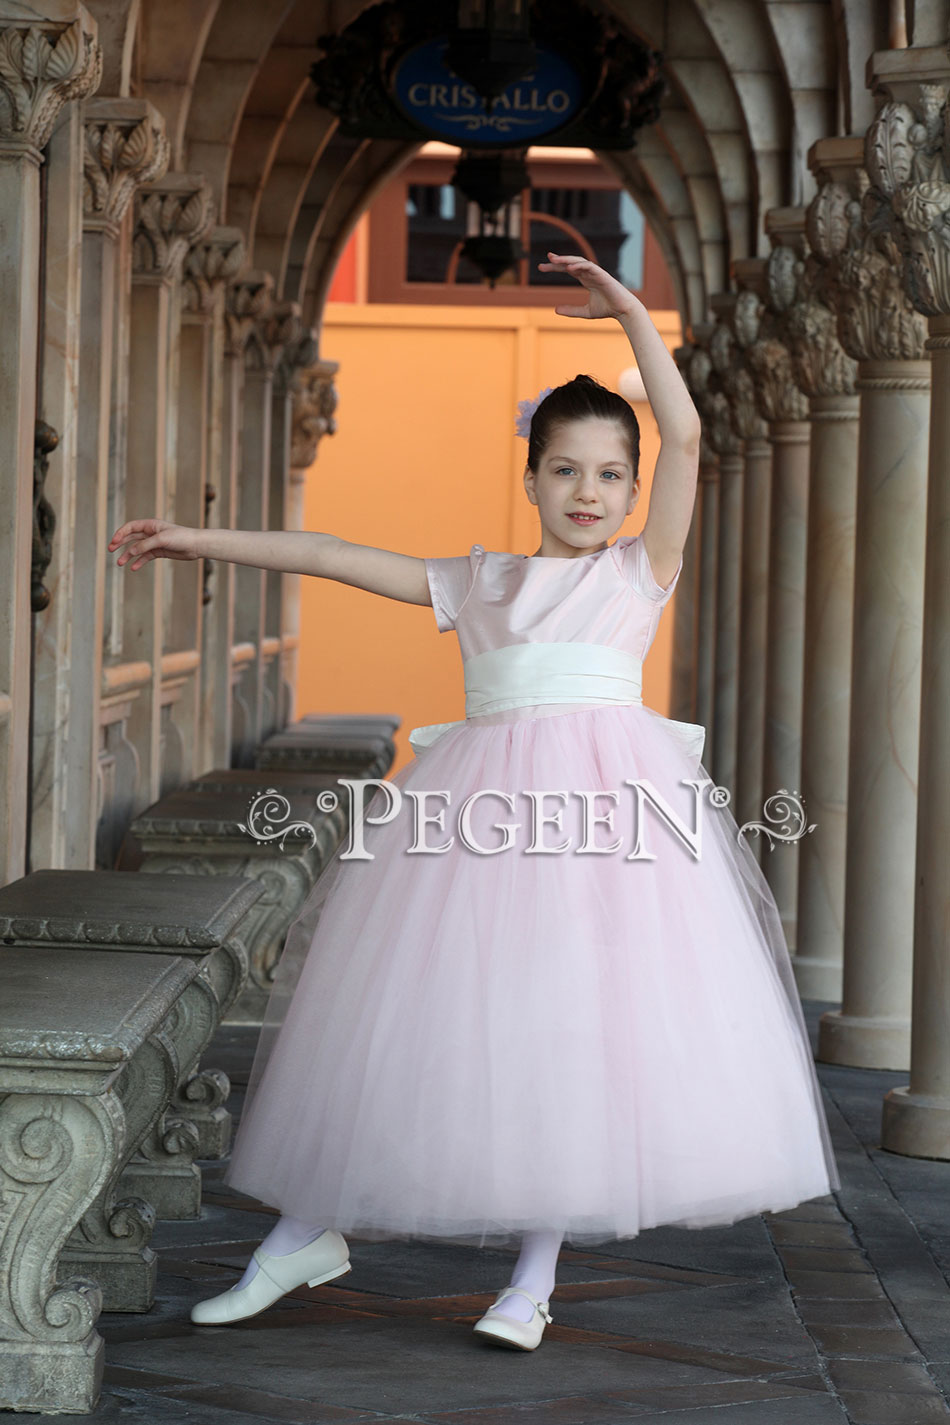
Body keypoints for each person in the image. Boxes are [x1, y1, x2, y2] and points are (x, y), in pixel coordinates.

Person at [108, 252, 840, 1353]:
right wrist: (191, 538)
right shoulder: (484, 578)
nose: (586, 493)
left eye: (606, 474)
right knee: (413, 1026)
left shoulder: (638, 574)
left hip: (608, 832)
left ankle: (530, 1281)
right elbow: (330, 552)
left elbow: (685, 435)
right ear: (533, 478)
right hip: (472, 830)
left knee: (571, 1036)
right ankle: (303, 1234)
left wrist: (635, 315)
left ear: (632, 491)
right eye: (563, 471)